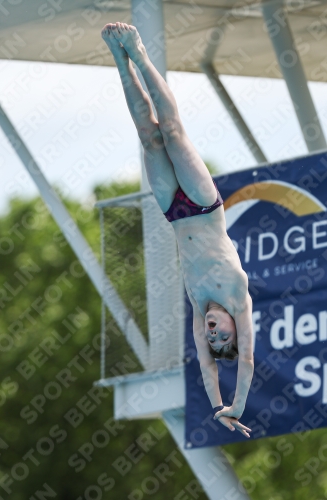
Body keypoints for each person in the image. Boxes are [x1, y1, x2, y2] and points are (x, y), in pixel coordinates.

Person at [101, 22, 254, 438]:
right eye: (223, 337)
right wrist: (235, 405)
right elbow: (245, 364)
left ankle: (119, 59)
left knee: (149, 137)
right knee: (172, 130)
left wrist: (215, 407)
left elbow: (206, 365)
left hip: (173, 210)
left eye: (213, 339)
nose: (213, 333)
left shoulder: (199, 304)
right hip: (203, 204)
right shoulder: (238, 300)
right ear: (235, 329)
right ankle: (138, 50)